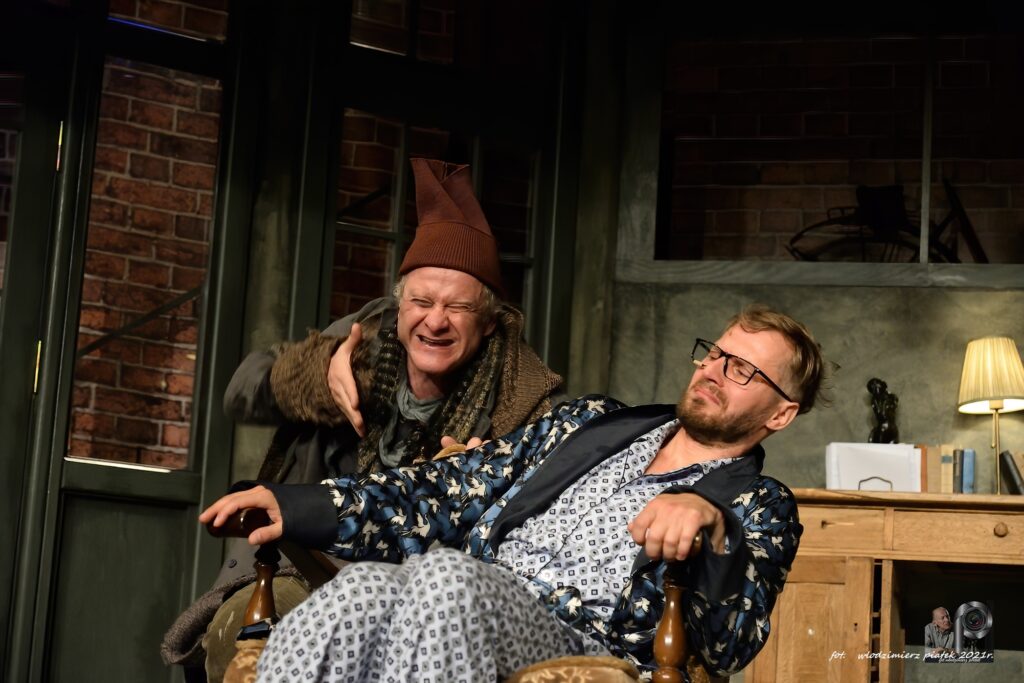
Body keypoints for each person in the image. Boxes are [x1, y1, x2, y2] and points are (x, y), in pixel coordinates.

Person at [201, 304, 828, 682]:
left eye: (743, 370)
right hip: (465, 596)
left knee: (448, 576)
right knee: (362, 588)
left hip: (581, 638)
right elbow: (449, 488)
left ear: (780, 413)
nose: (714, 372)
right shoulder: (589, 422)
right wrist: (297, 503)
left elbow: (729, 647)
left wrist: (714, 528)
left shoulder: (759, 507)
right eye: (715, 354)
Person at [161, 158, 563, 680]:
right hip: (308, 565)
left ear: (488, 322)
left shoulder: (523, 399)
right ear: (400, 305)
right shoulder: (365, 341)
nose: (435, 321)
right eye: (421, 301)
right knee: (239, 635)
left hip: (425, 594)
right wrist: (316, 375)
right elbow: (241, 390)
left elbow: (539, 533)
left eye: (458, 308)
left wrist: (483, 481)